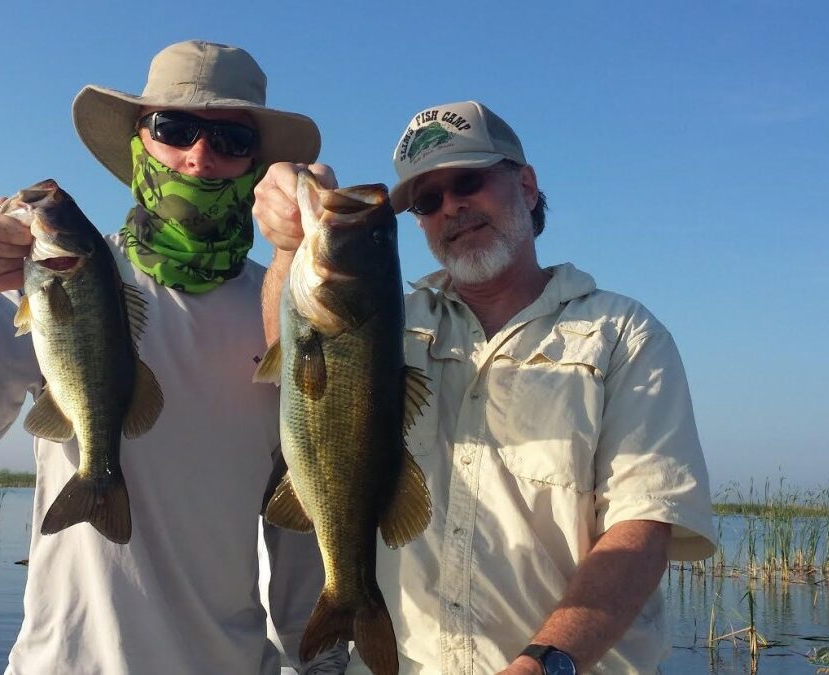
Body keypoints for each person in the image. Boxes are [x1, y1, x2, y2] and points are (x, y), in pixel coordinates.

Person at [0, 40, 348, 674]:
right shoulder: (53, 281)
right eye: (174, 129)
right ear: (139, 143)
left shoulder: (284, 311)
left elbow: (302, 516)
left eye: (230, 139)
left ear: (258, 167)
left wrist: (320, 661)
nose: (199, 156)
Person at [253, 100, 716, 674]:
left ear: (526, 185)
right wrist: (288, 244)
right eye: (427, 200)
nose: (452, 208)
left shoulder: (622, 335)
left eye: (468, 181)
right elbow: (296, 359)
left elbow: (643, 526)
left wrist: (544, 663)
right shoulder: (388, 326)